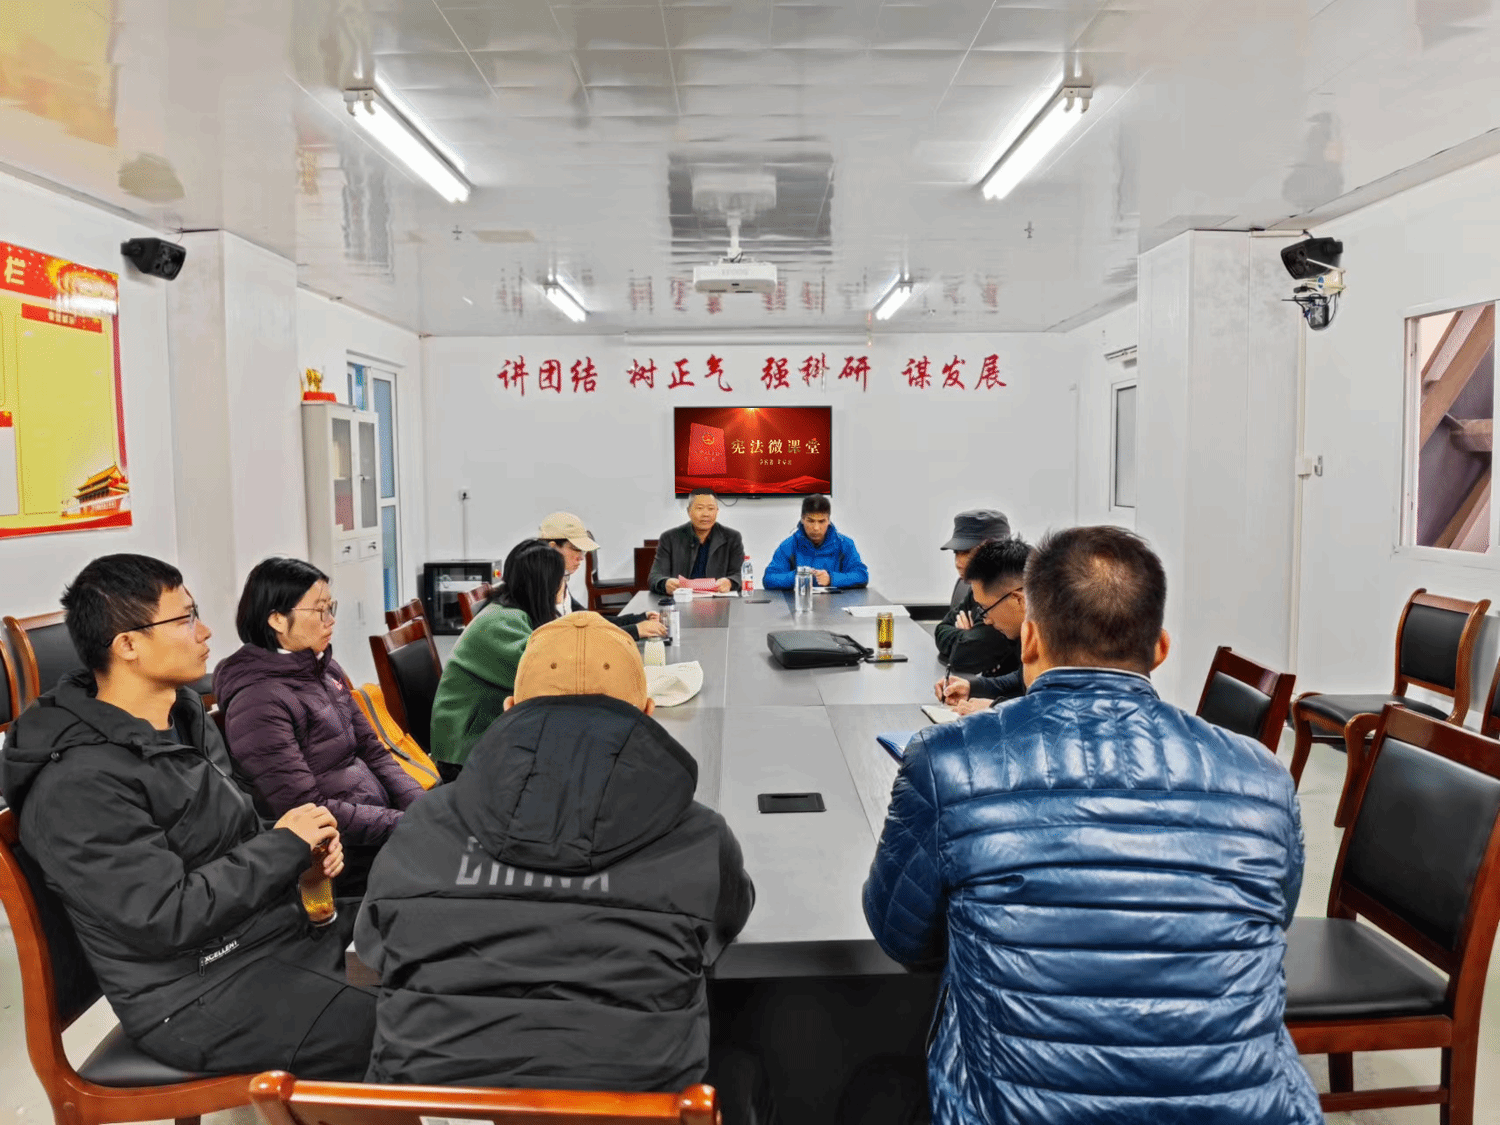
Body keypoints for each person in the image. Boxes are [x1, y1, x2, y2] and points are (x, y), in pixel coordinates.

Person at [864, 526, 1320, 1124]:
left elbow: (902, 936)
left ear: (1029, 639)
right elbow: (1270, 918)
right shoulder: (1264, 778)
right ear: (1160, 649)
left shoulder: (946, 762)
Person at [0, 554, 375, 1079]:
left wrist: (300, 842)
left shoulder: (182, 716)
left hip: (267, 934)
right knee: (420, 1020)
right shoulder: (77, 782)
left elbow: (226, 834)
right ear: (127, 645)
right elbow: (166, 915)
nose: (205, 631)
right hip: (196, 993)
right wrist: (284, 846)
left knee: (432, 934)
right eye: (185, 619)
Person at [356, 612, 757, 1099]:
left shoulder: (423, 825)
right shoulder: (700, 835)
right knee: (745, 1071)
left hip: (434, 1113)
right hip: (631, 1108)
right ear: (647, 711)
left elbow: (373, 948)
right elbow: (726, 924)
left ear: (509, 708)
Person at [214, 557, 425, 893]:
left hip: (380, 824)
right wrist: (408, 826)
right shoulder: (258, 702)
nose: (331, 620)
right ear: (277, 619)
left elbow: (373, 750)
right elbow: (308, 810)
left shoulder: (322, 668)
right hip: (339, 854)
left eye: (331, 607)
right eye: (320, 610)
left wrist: (422, 810)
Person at [429, 539, 566, 768]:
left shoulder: (513, 613)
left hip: (486, 734)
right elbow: (543, 677)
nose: (563, 584)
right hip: (464, 752)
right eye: (561, 578)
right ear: (545, 584)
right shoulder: (502, 622)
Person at [932, 538, 1032, 715]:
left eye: (985, 609)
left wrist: (995, 707)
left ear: (1018, 600)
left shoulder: (1062, 632)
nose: (986, 621)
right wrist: (972, 687)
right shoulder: (1028, 627)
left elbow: (1055, 708)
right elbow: (1022, 679)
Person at [538, 511, 666, 639]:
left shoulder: (559, 579)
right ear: (553, 548)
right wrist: (635, 630)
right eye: (576, 548)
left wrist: (638, 618)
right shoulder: (539, 588)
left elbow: (591, 620)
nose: (581, 557)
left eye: (583, 551)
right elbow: (571, 639)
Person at [933, 508, 1017, 675]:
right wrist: (965, 637)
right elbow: (941, 630)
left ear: (993, 550)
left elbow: (965, 653)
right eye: (956, 553)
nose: (958, 562)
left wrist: (968, 640)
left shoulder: (1008, 594)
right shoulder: (975, 587)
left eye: (965, 552)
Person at [649, 488, 745, 595]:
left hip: (718, 601)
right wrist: (665, 583)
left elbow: (740, 574)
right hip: (682, 601)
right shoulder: (669, 538)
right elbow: (655, 576)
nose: (706, 514)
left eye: (711, 508)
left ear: (717, 511)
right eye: (700, 508)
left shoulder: (732, 538)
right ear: (689, 511)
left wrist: (730, 582)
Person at [762, 494, 869, 589]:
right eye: (810, 521)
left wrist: (831, 578)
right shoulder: (789, 545)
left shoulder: (845, 544)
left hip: (837, 604)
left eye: (821, 521)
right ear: (802, 519)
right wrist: (797, 577)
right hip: (799, 603)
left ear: (828, 520)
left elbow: (861, 576)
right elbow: (769, 579)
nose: (816, 528)